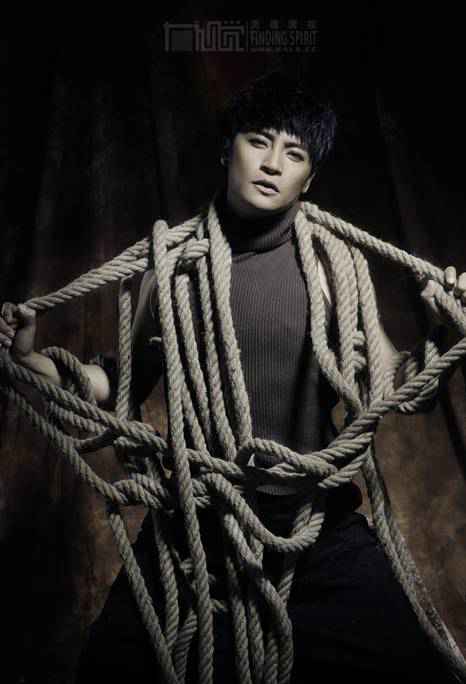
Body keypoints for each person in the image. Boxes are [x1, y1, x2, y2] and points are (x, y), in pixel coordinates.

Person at [1, 71, 465, 683]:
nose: (273, 164)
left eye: (294, 153)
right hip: (197, 535)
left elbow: (397, 390)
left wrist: (444, 336)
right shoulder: (172, 269)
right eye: (259, 141)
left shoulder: (333, 266)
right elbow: (115, 383)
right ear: (228, 149)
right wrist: (32, 362)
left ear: (309, 178)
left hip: (314, 531)